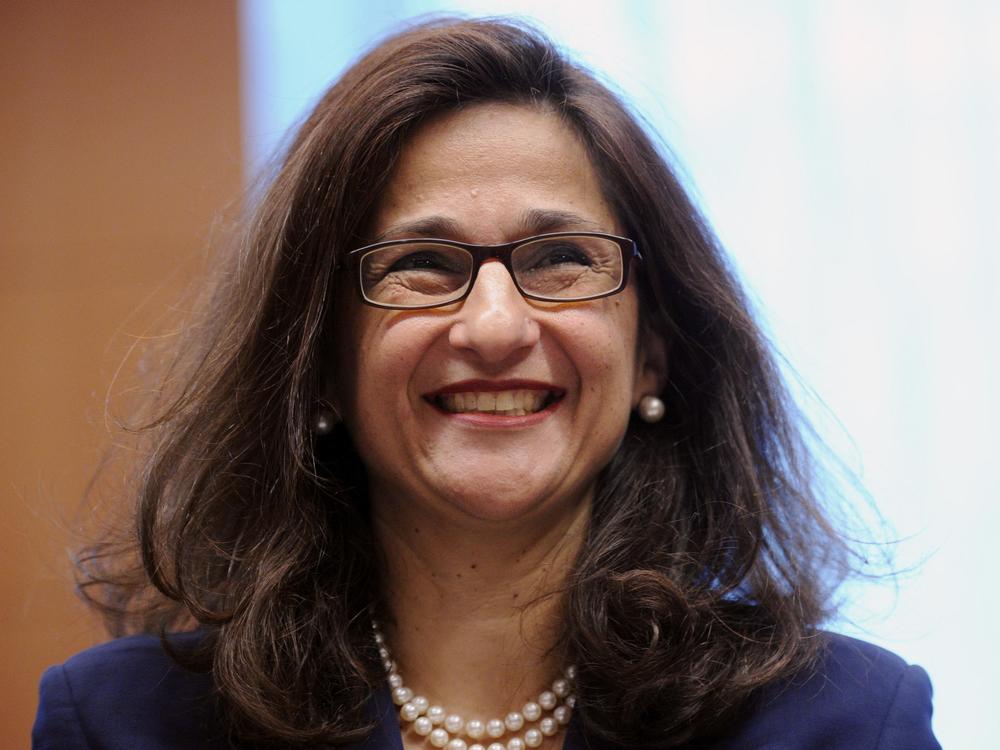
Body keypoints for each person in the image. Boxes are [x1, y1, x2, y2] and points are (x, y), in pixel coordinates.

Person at [33, 17, 939, 750]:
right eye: (423, 264)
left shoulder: (846, 722)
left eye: (559, 259)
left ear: (652, 356)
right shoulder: (124, 724)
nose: (498, 326)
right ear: (317, 365)